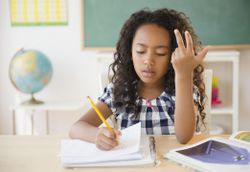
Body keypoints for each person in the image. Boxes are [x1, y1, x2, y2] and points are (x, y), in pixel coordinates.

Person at [69, 8, 208, 150]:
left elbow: (184, 137)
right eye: (141, 51)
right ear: (130, 52)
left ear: (173, 55)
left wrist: (184, 75)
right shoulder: (119, 91)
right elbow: (76, 128)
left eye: (160, 53)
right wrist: (97, 135)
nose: (148, 61)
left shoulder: (182, 90)